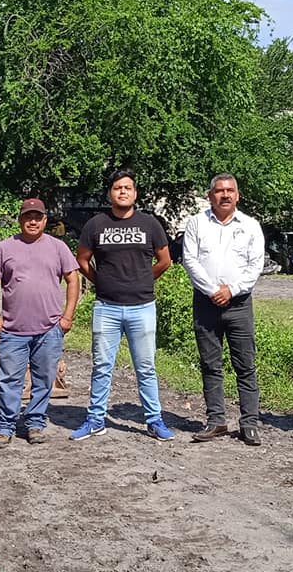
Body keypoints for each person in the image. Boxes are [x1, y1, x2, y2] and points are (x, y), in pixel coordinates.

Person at [72, 169, 176, 442]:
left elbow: (165, 261)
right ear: (110, 193)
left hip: (142, 307)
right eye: (118, 187)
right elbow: (82, 261)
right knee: (102, 365)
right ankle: (95, 419)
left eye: (128, 187)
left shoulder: (150, 224)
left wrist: (142, 279)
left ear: (135, 193)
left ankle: (154, 421)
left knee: (146, 367)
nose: (122, 192)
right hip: (106, 307)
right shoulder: (96, 225)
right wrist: (101, 282)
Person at [0, 198, 82, 448]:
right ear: (20, 220)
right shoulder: (4, 248)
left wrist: (67, 316)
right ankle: (4, 427)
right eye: (28, 216)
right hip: (13, 331)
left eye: (38, 217)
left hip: (49, 330)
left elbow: (73, 279)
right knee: (8, 380)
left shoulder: (58, 247)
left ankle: (35, 423)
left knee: (44, 379)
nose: (33, 221)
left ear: (45, 220)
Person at [182, 174, 266, 446]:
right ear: (210, 196)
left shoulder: (251, 226)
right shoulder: (196, 223)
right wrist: (212, 290)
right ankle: (216, 419)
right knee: (210, 364)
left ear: (238, 196)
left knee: (245, 365)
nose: (225, 195)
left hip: (239, 304)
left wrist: (231, 289)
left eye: (230, 191)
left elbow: (255, 265)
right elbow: (190, 260)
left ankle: (249, 423)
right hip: (206, 303)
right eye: (219, 191)